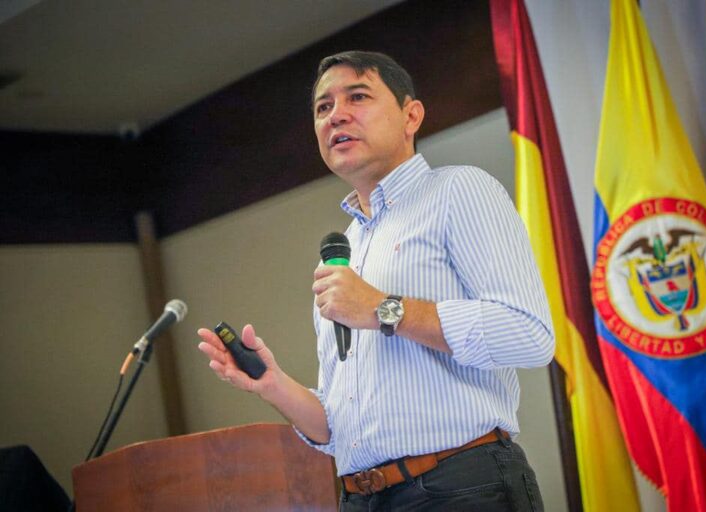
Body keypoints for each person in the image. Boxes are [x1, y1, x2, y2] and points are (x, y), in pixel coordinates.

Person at [198, 50, 554, 511]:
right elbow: (337, 429)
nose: (336, 115)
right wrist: (272, 384)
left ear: (411, 116)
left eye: (358, 97)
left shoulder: (459, 190)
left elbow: (528, 335)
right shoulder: (343, 251)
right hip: (361, 497)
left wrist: (385, 309)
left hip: (460, 487)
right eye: (323, 107)